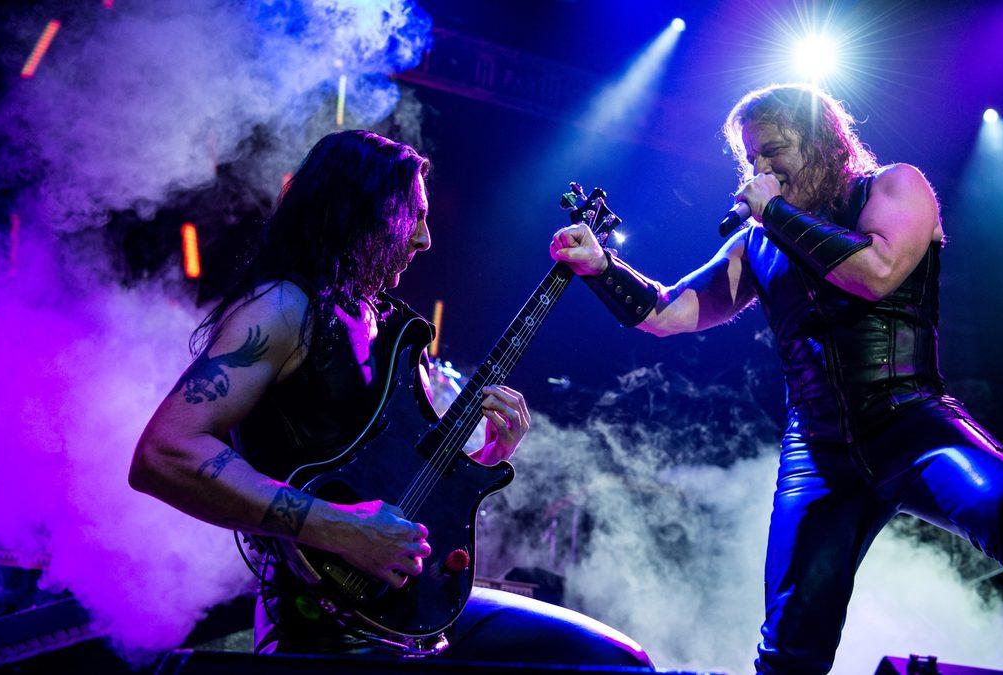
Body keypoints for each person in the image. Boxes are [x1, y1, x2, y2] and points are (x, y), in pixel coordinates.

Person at [549, 83, 1003, 674]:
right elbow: (669, 312)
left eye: (774, 150)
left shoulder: (894, 188)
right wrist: (602, 267)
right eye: (751, 157)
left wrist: (775, 213)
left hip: (912, 421)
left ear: (822, 141)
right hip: (819, 448)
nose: (761, 169)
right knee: (792, 640)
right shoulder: (756, 242)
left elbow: (876, 272)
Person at [129, 130, 650, 666]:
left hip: (413, 608)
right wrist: (341, 528)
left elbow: (398, 492)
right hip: (323, 622)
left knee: (616, 659)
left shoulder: (391, 326)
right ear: (359, 211)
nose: (425, 239)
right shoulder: (282, 308)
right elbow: (165, 453)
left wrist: (486, 459)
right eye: (413, 217)